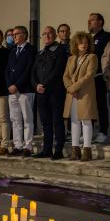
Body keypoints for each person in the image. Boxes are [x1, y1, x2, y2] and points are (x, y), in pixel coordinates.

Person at [31, 26, 68, 159]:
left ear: (55, 35)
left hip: (55, 92)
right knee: (45, 123)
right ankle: (46, 150)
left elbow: (58, 71)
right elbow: (33, 72)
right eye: (44, 34)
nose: (46, 36)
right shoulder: (40, 53)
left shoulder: (61, 51)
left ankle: (58, 150)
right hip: (41, 93)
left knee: (57, 121)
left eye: (49, 33)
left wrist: (44, 85)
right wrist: (36, 86)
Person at [63, 32, 98, 161]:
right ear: (76, 44)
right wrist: (70, 88)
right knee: (74, 121)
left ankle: (87, 151)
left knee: (86, 120)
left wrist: (73, 88)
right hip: (72, 94)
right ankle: (75, 150)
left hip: (85, 93)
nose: (84, 44)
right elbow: (65, 76)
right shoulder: (71, 58)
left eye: (86, 42)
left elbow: (88, 76)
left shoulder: (92, 57)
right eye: (81, 42)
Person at [5, 25, 36, 156]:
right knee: (15, 119)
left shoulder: (31, 50)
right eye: (13, 34)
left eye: (16, 34)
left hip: (25, 90)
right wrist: (9, 85)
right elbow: (7, 70)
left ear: (24, 34)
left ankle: (28, 146)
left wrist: (17, 85)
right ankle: (17, 145)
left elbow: (29, 70)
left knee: (27, 118)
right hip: (12, 91)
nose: (14, 36)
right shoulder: (12, 51)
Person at [88, 13, 110, 143]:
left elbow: (103, 55)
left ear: (100, 22)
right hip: (87, 78)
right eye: (89, 20)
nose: (89, 22)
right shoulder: (87, 38)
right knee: (89, 105)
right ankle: (89, 131)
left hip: (99, 76)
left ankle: (103, 131)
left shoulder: (107, 37)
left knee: (101, 104)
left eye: (92, 20)